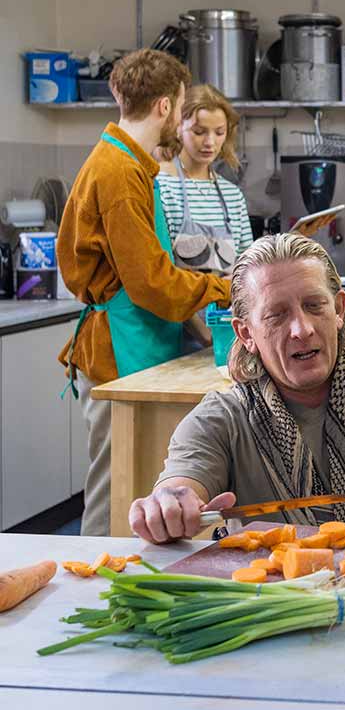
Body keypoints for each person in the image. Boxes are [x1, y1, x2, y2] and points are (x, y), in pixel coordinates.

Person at [128, 234, 345, 543]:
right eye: (277, 315)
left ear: (337, 309)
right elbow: (180, 483)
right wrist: (168, 506)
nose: (301, 329)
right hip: (270, 604)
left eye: (314, 306)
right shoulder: (221, 420)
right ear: (246, 333)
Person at [58, 49, 232, 536]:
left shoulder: (133, 164)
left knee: (139, 490)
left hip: (140, 343)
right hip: (118, 348)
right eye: (180, 107)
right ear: (163, 107)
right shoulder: (116, 173)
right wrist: (225, 286)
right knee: (114, 490)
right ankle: (87, 589)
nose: (180, 117)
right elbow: (153, 284)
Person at [158, 84, 255, 275]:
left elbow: (248, 266)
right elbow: (158, 269)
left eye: (219, 132)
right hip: (179, 304)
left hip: (226, 304)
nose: (210, 142)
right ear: (178, 127)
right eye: (199, 132)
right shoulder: (162, 187)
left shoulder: (232, 195)